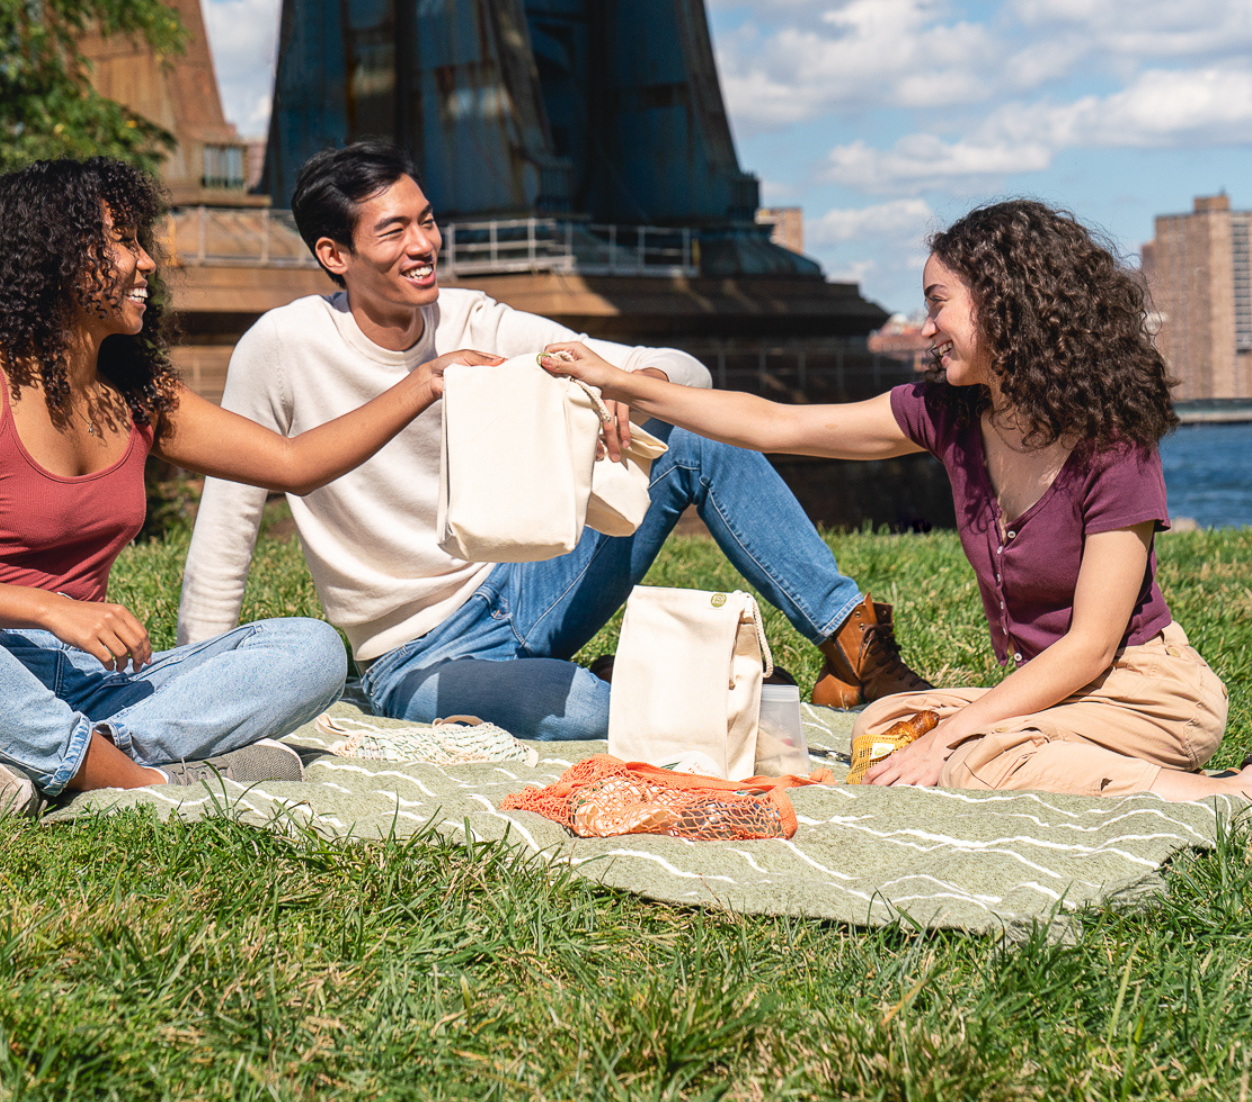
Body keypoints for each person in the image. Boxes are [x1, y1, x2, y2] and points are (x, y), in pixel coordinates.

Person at [177, 140, 928, 741]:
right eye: (394, 230)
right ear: (334, 255)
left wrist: (619, 388)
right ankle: (668, 679)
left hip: (528, 586)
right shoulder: (282, 347)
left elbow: (682, 375)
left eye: (428, 220)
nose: (423, 244)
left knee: (697, 434)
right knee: (590, 717)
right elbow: (229, 521)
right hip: (417, 655)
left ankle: (851, 644)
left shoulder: (473, 319)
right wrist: (196, 689)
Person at [541, 199, 1252, 801]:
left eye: (938, 304)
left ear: (1005, 303)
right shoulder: (948, 415)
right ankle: (1073, 760)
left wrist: (956, 734)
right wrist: (625, 382)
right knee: (885, 725)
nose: (926, 327)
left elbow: (1092, 646)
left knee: (971, 759)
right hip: (1061, 697)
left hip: (1143, 692)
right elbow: (778, 423)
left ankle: (1217, 794)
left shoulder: (1112, 442)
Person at [0, 157, 497, 816]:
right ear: (54, 255)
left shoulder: (137, 394)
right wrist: (50, 608)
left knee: (310, 650)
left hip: (86, 688)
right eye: (125, 242)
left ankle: (49, 763)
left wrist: (425, 381)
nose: (147, 263)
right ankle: (142, 780)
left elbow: (292, 463)